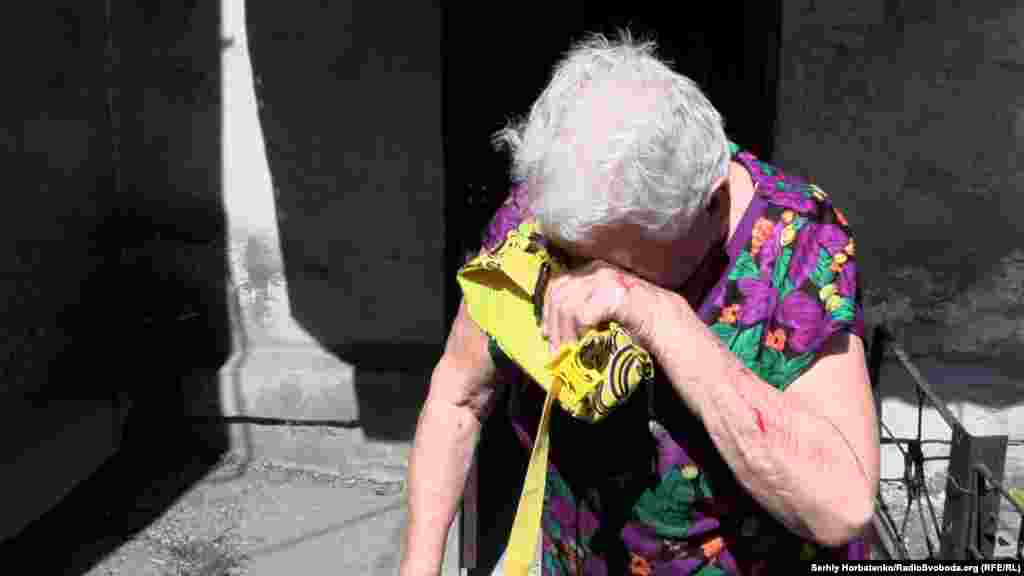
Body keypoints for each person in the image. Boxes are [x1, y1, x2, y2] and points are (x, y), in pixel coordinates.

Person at [401, 30, 880, 575]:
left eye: (620, 263)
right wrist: (419, 564)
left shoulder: (798, 246)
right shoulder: (560, 211)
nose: (582, 279)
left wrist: (661, 316)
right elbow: (458, 400)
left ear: (711, 205)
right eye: (570, 254)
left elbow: (842, 508)